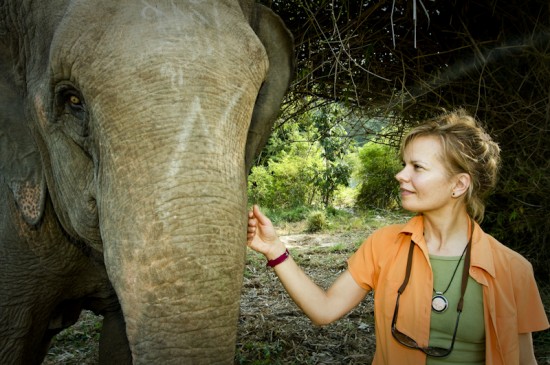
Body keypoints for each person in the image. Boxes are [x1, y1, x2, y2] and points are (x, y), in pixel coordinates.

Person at [246, 109, 549, 365]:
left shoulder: (513, 269)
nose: (400, 175)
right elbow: (323, 310)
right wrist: (275, 249)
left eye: (417, 167)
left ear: (458, 185)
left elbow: (524, 360)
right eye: (404, 164)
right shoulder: (383, 244)